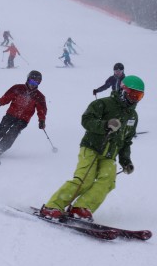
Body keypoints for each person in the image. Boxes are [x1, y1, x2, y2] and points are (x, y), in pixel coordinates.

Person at [40, 76, 144, 221]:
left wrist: (126, 161)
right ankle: (52, 206)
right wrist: (105, 125)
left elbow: (126, 141)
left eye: (138, 95)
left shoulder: (133, 116)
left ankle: (81, 208)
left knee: (108, 181)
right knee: (85, 179)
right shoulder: (104, 104)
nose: (134, 98)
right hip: (92, 148)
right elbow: (86, 119)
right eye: (132, 93)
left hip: (110, 155)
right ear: (122, 90)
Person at [0, 70, 47, 161]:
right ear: (28, 79)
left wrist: (41, 120)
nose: (33, 84)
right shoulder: (17, 88)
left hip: (23, 120)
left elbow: (41, 110)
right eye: (31, 81)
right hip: (11, 115)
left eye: (36, 82)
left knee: (12, 134)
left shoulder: (39, 96)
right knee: (1, 130)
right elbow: (6, 98)